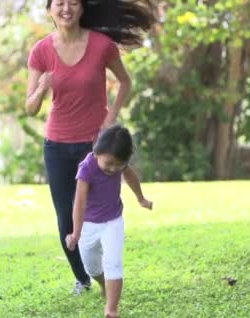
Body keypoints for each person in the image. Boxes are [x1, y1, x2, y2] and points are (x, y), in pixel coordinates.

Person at [25, 0, 155, 295]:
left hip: (94, 146)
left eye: (73, 2)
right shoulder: (41, 51)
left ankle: (104, 272)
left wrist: (109, 121)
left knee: (98, 213)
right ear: (50, 10)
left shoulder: (101, 45)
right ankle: (83, 278)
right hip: (57, 145)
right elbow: (30, 108)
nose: (66, 8)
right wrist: (43, 86)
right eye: (59, 2)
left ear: (82, 8)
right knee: (65, 217)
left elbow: (125, 81)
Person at [65, 124, 152, 318]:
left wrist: (140, 198)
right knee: (91, 267)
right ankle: (104, 284)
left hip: (113, 221)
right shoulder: (87, 168)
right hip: (88, 224)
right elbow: (79, 202)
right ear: (97, 152)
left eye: (119, 165)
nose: (113, 169)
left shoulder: (121, 167)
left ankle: (112, 308)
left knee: (113, 262)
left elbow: (130, 176)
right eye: (109, 163)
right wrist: (76, 234)